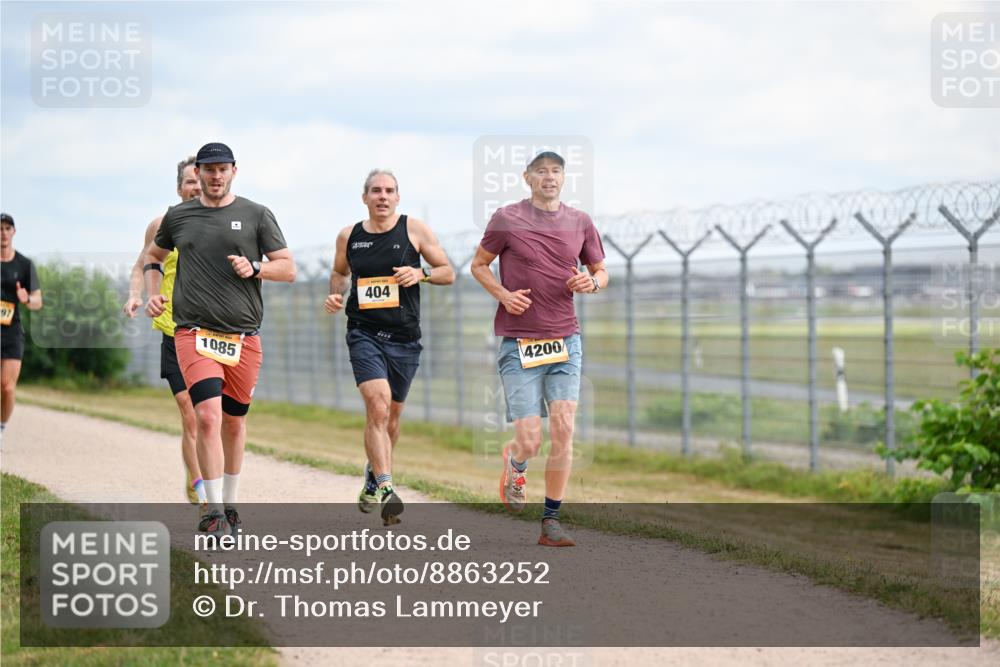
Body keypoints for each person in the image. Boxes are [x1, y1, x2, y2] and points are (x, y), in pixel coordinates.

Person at [144, 142, 295, 538]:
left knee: (233, 422)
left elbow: (288, 268)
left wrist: (256, 267)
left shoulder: (256, 214)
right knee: (207, 417)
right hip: (193, 332)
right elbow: (153, 256)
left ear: (233, 171)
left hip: (243, 338)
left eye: (221, 169)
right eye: (208, 169)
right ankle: (212, 511)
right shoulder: (178, 216)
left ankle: (230, 504)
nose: (215, 176)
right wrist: (152, 292)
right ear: (199, 173)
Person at [470, 151, 608, 547]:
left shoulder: (580, 221)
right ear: (527, 177)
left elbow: (601, 271)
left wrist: (592, 283)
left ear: (564, 178)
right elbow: (479, 265)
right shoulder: (507, 218)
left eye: (556, 171)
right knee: (531, 440)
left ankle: (551, 521)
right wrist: (503, 294)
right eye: (541, 171)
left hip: (566, 341)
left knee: (564, 429)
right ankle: (516, 462)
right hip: (520, 343)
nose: (549, 177)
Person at [324, 169, 454, 526]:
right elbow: (339, 273)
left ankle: (373, 475)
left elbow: (448, 271)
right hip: (363, 332)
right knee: (377, 406)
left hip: (404, 338)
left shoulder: (415, 230)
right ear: (364, 197)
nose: (382, 196)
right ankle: (386, 487)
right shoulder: (349, 236)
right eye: (376, 191)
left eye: (389, 191)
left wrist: (422, 274)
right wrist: (335, 294)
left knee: (392, 416)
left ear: (398, 197)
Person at [122, 156, 207, 509]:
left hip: (212, 334)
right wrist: (136, 295)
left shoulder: (223, 225)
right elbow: (142, 264)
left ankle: (210, 475)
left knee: (210, 416)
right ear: (179, 187)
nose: (196, 187)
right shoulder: (162, 225)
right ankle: (199, 483)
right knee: (190, 412)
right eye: (190, 181)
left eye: (200, 180)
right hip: (174, 331)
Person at [1, 213, 42, 435]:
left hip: (11, 332)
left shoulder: (24, 265)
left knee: (7, 387)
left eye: (7, 228)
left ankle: (1, 428)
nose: (3, 233)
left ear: (14, 232)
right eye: (0, 228)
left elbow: (38, 302)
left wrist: (26, 299)